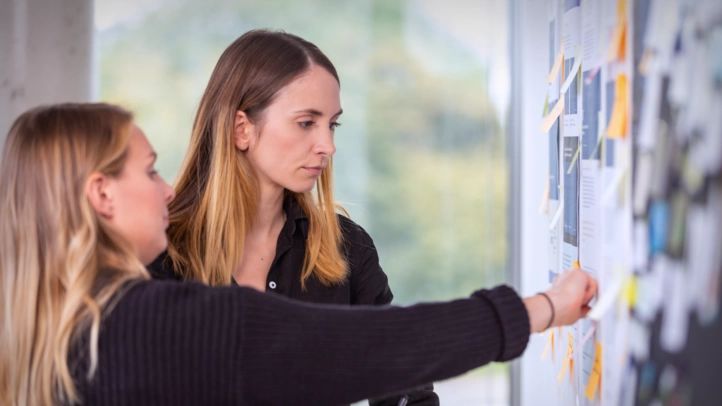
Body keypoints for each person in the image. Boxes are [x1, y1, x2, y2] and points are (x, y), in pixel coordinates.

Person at [0, 103, 596, 405]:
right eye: (149, 171)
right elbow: (380, 345)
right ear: (101, 194)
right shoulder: (150, 322)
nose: (169, 188)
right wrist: (543, 307)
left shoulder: (51, 329)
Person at [149, 28, 427, 404]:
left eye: (332, 124)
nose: (328, 145)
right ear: (241, 129)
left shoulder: (347, 248)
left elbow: (406, 386)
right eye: (306, 123)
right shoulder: (158, 254)